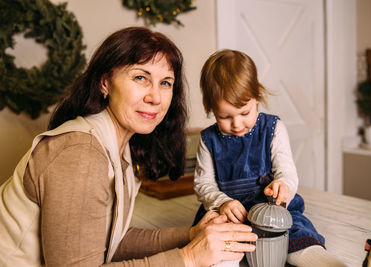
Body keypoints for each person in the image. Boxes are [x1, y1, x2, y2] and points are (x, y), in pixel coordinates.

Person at [0, 28, 257, 267]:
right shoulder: (80, 154)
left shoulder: (117, 147)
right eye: (140, 77)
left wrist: (192, 234)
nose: (155, 97)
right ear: (105, 83)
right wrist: (188, 257)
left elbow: (111, 242)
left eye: (165, 83)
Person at [193, 49, 347, 267]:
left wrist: (283, 187)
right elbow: (203, 184)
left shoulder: (273, 128)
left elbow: (286, 171)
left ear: (257, 97)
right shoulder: (208, 140)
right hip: (231, 214)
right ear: (211, 109)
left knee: (296, 232)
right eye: (225, 117)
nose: (236, 125)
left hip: (272, 208)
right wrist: (222, 202)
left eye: (245, 113)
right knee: (220, 243)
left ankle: (325, 263)